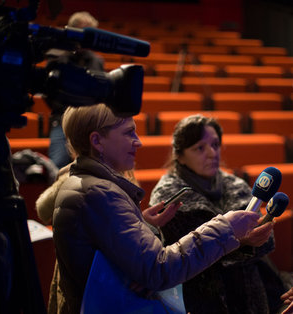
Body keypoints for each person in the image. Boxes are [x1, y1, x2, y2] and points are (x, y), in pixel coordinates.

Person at [37, 103, 270, 314]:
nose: (138, 141)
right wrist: (225, 227)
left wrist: (143, 223)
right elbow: (159, 270)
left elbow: (113, 245)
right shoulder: (99, 193)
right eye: (129, 132)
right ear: (97, 141)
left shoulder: (89, 186)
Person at [149, 114, 292, 314]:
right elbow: (190, 258)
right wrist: (242, 244)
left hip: (252, 291)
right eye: (200, 148)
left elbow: (266, 244)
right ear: (180, 155)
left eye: (215, 144)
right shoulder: (169, 196)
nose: (212, 153)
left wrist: (260, 234)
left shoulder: (234, 184)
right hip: (201, 299)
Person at [45, 11, 104, 169]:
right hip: (63, 121)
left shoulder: (97, 61)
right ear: (71, 31)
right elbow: (50, 94)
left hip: (91, 124)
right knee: (57, 167)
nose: (86, 38)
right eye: (83, 32)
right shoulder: (57, 58)